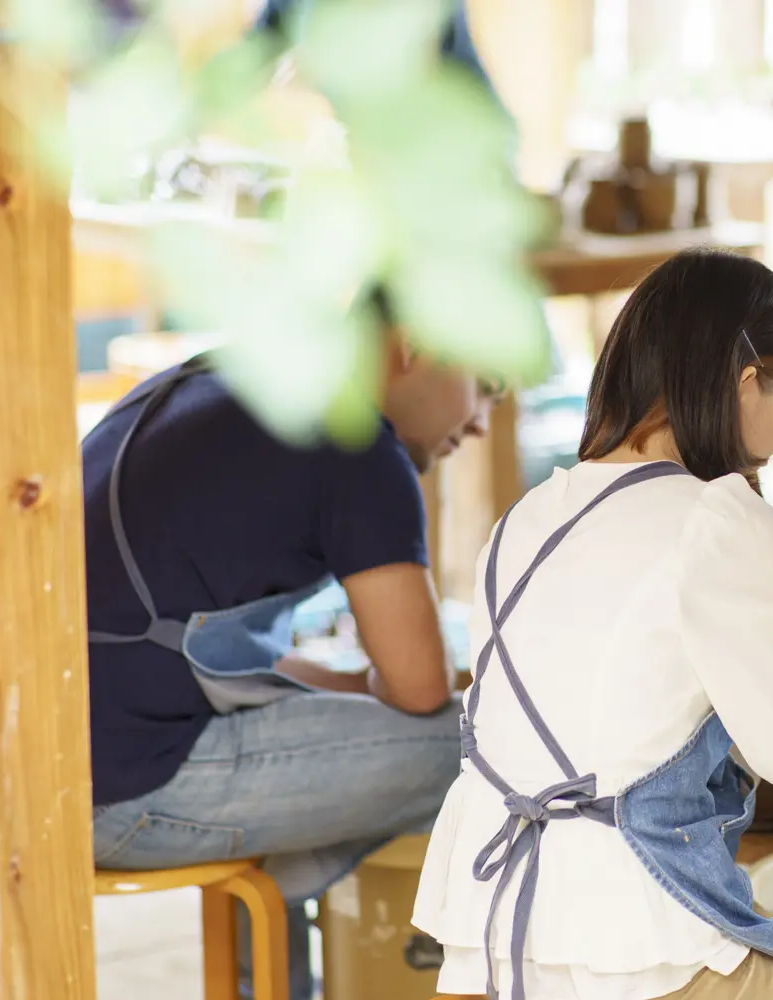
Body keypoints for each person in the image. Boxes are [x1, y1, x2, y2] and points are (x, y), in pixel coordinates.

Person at [412, 248, 773, 1000]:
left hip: (492, 942)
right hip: (631, 953)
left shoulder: (524, 519)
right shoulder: (714, 519)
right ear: (747, 381)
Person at [85, 288, 501, 1000]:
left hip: (48, 773)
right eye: (485, 384)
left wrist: (363, 684)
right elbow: (422, 689)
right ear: (413, 345)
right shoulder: (356, 440)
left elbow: (238, 656)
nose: (482, 422)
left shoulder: (224, 377)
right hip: (126, 790)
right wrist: (393, 680)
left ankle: (277, 957)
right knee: (496, 753)